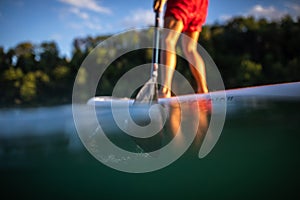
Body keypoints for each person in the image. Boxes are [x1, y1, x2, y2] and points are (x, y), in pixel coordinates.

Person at [153, 0, 209, 98]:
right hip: (200, 4)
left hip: (182, 2)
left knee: (168, 40)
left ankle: (165, 90)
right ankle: (203, 89)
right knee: (190, 48)